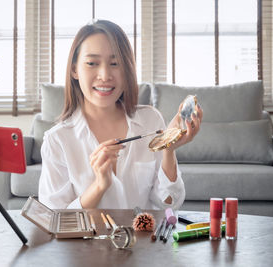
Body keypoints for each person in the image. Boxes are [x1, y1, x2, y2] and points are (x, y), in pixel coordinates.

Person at [38, 20, 203, 210]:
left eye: (115, 63)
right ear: (75, 69)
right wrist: (99, 186)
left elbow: (168, 204)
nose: (105, 75)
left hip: (142, 239)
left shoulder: (151, 121)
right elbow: (55, 220)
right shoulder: (57, 139)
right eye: (92, 63)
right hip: (83, 241)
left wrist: (168, 150)